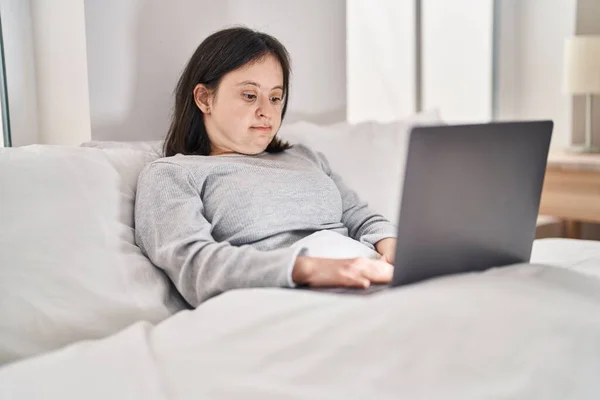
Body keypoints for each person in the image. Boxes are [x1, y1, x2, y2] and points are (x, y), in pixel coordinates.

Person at [134, 27, 397, 307]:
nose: (266, 111)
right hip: (291, 297)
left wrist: (393, 246)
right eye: (249, 95)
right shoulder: (171, 174)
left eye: (275, 97)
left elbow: (360, 217)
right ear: (204, 98)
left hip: (367, 281)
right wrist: (310, 269)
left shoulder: (306, 157)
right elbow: (197, 267)